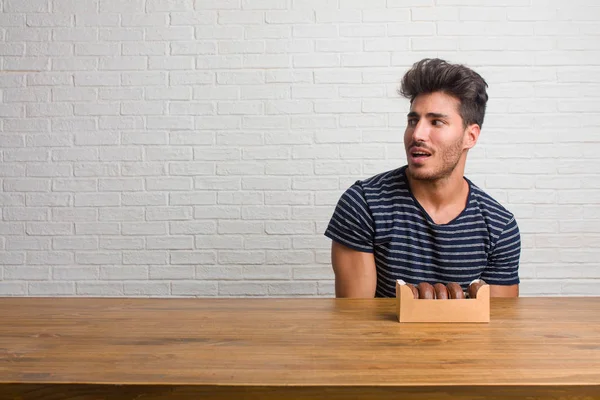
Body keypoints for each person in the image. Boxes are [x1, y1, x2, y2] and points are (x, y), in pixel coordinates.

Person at [324, 58, 521, 298]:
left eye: (436, 122)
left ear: (470, 136)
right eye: (413, 120)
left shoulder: (499, 226)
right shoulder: (364, 204)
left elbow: (498, 326)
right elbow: (355, 321)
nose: (417, 134)